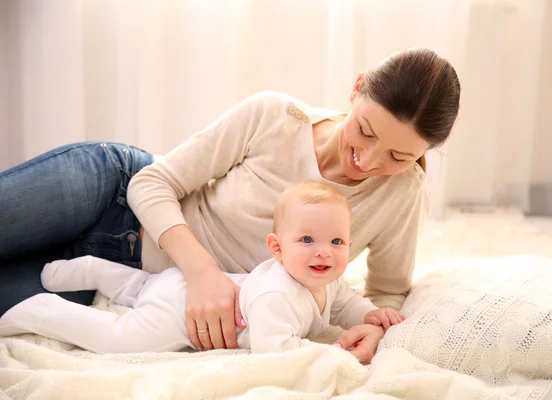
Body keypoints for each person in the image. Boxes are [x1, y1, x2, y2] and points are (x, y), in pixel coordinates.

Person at [0, 48, 461, 361]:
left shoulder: (402, 194)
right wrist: (204, 276)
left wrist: (375, 327)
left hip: (130, 277)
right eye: (365, 130)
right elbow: (151, 183)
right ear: (357, 88)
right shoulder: (274, 116)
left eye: (400, 155)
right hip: (112, 191)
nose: (370, 160)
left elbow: (388, 291)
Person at [0, 182, 403, 360]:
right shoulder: (276, 295)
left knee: (143, 285)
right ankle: (39, 310)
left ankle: (94, 270)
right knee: (119, 338)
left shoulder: (326, 281)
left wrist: (369, 316)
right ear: (277, 249)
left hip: (175, 282)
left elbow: (346, 301)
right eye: (307, 241)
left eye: (336, 242)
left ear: (349, 248)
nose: (323, 253)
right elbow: (274, 349)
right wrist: (331, 355)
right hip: (182, 317)